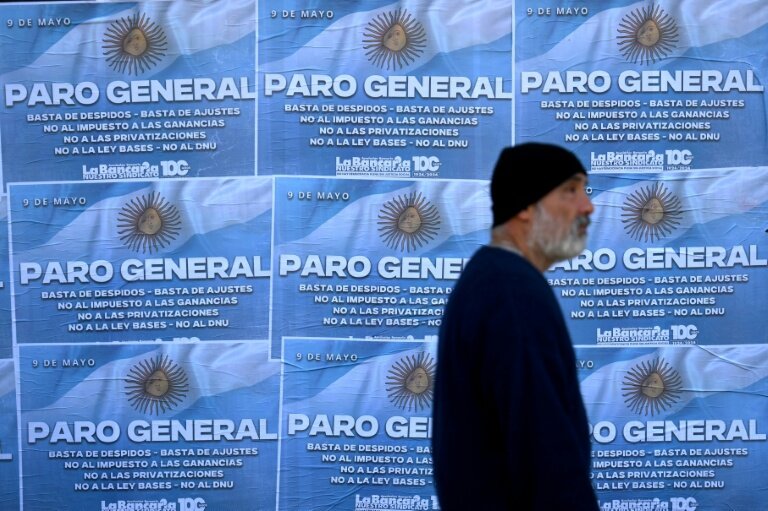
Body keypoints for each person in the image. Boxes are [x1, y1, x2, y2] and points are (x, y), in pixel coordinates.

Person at [432, 143, 599, 510]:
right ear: (524, 205)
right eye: (570, 191)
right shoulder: (512, 295)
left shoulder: (490, 279)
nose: (588, 206)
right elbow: (546, 455)